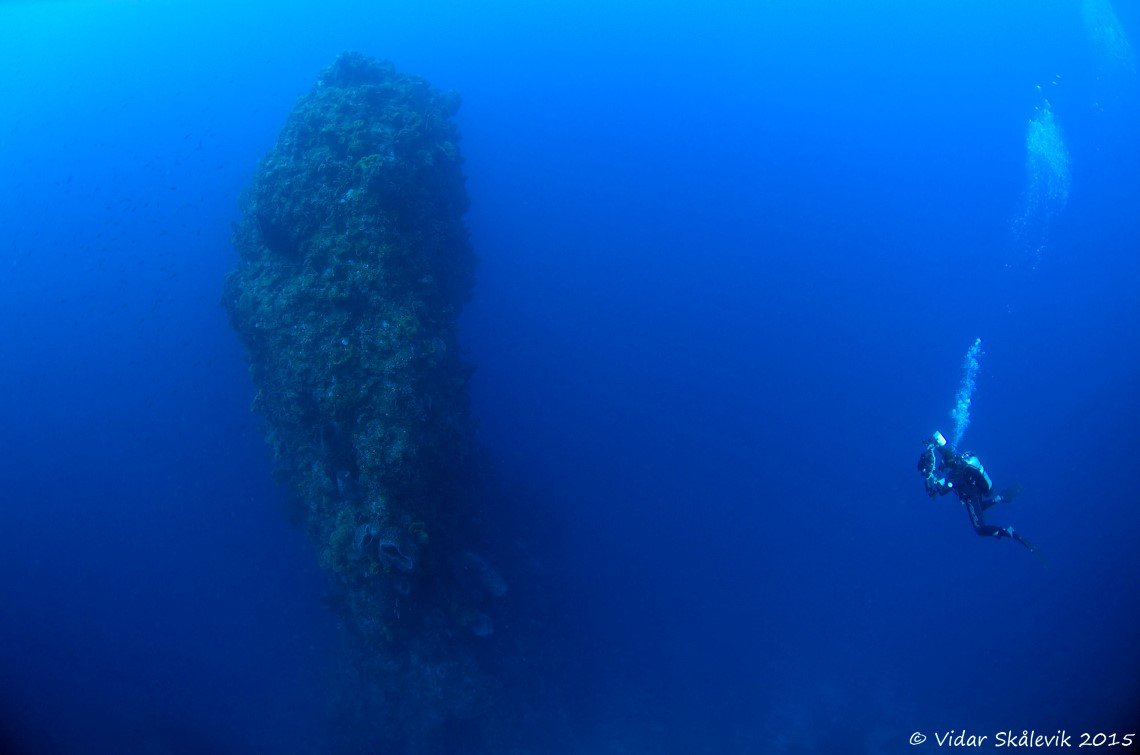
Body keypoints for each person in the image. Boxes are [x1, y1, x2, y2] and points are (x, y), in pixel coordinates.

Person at [918, 431, 1039, 555]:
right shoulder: (958, 460)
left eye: (943, 463)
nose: (941, 466)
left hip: (971, 497)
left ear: (947, 463)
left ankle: (1008, 532)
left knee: (980, 529)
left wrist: (928, 478)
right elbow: (945, 451)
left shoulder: (954, 476)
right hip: (976, 491)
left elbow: (938, 492)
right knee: (979, 507)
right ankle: (999, 498)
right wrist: (934, 445)